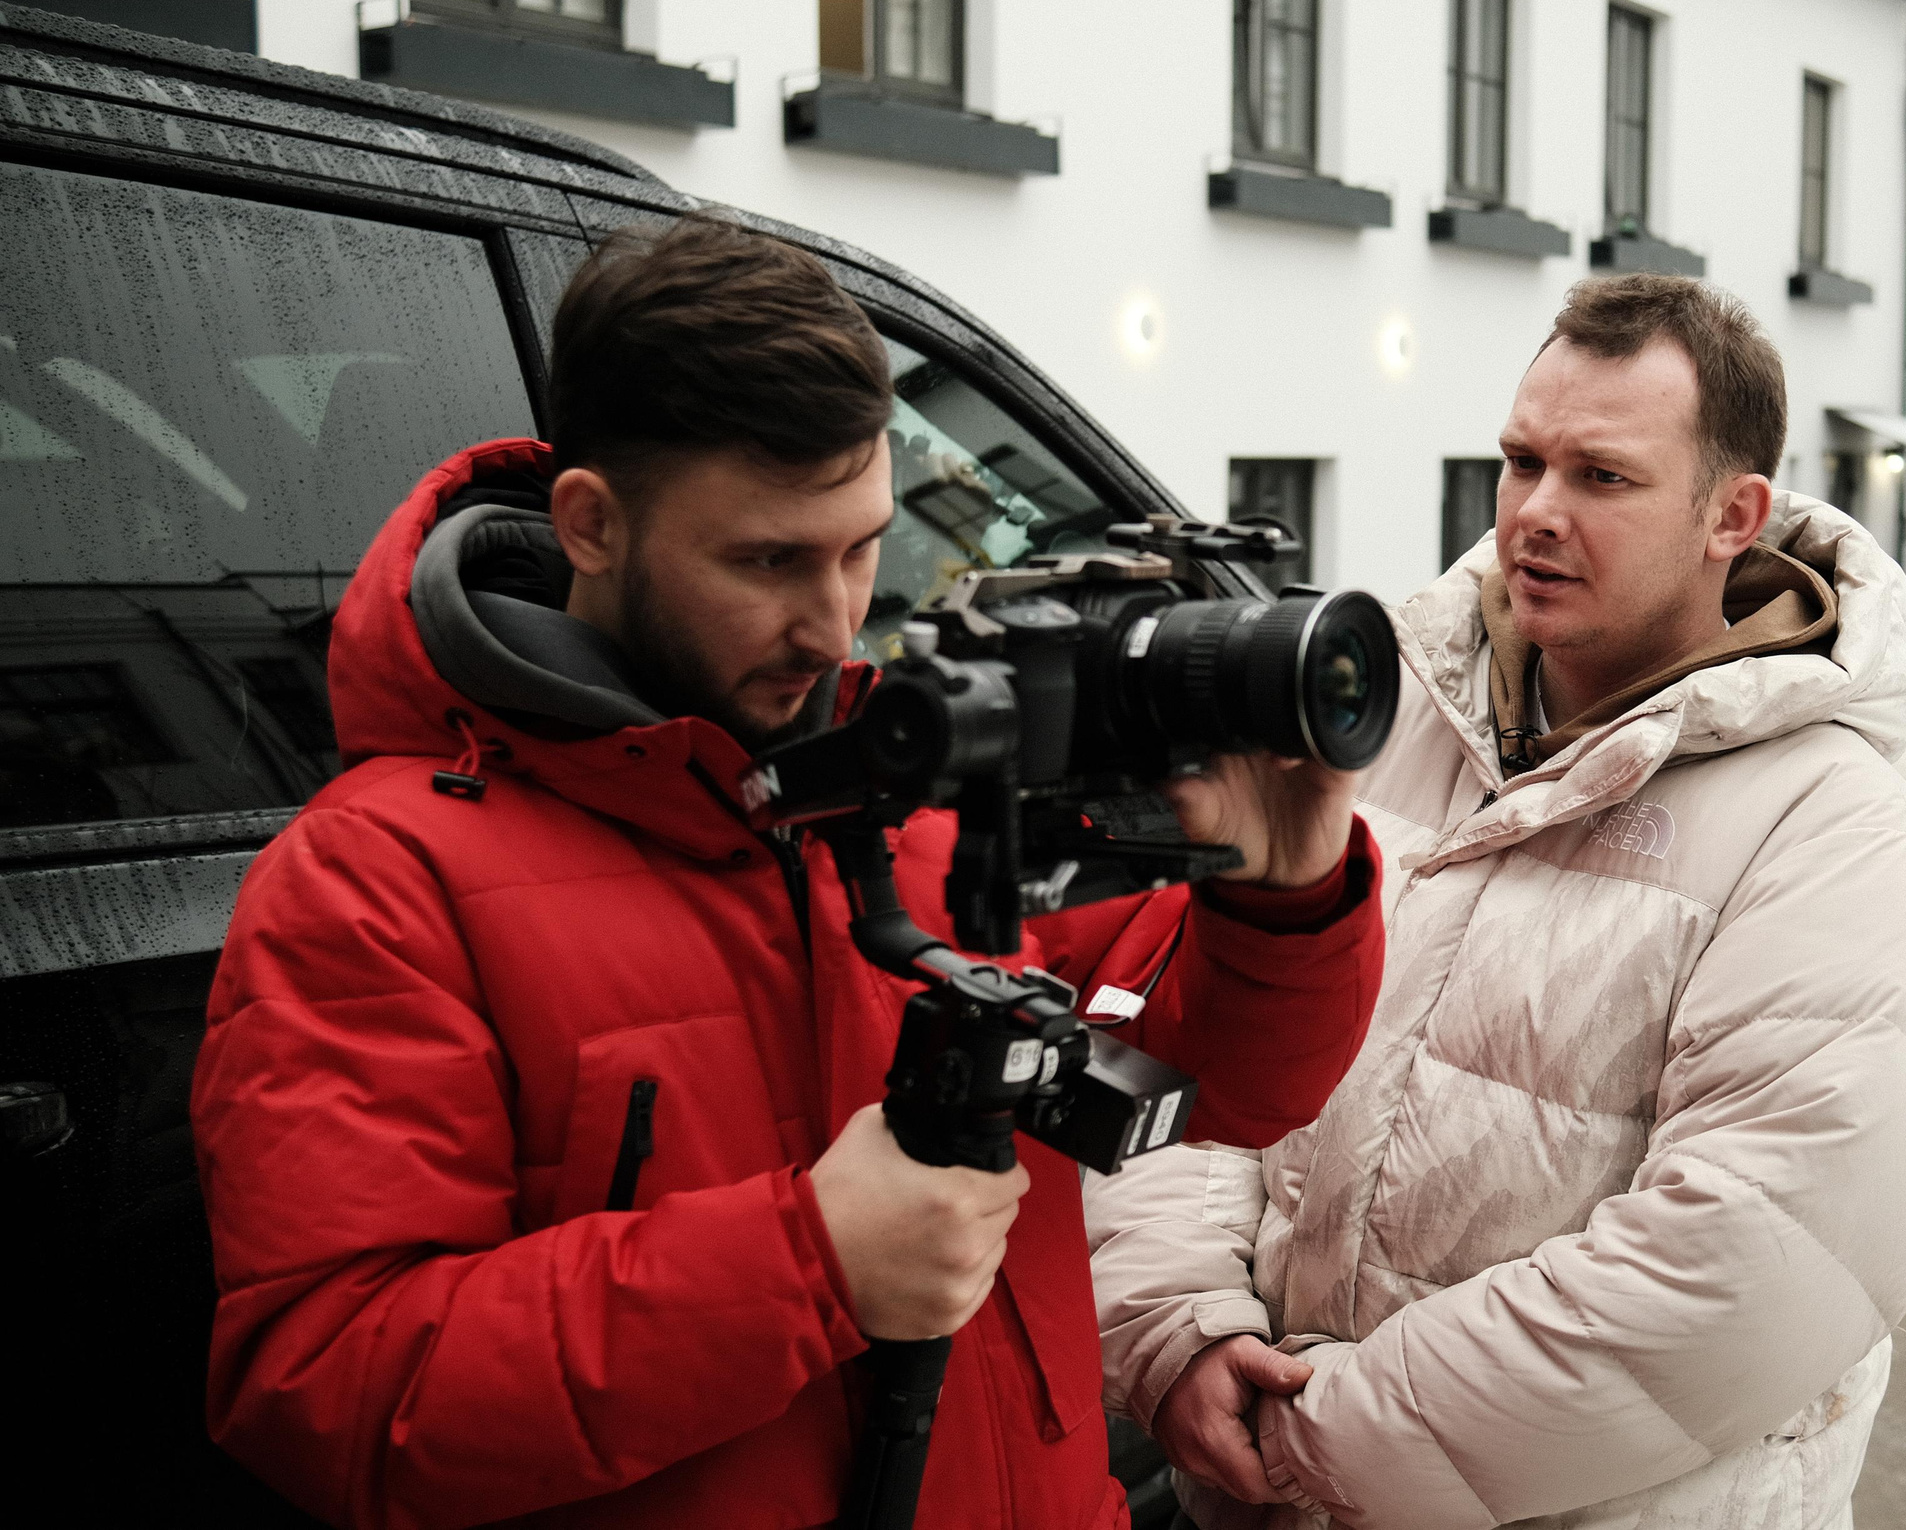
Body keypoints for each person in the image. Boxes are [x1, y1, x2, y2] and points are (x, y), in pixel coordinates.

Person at [191, 216, 1387, 1530]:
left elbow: (1232, 1084)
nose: (831, 622)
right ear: (591, 523)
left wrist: (1284, 894)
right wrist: (805, 1261)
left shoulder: (911, 784)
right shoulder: (375, 879)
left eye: (863, 546)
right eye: (765, 560)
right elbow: (335, 1389)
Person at [1086, 276, 1906, 1529]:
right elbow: (1199, 1040)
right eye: (1519, 462)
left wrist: (1310, 1438)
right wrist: (1180, 1332)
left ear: (1733, 514)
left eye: (1601, 477)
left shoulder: (1829, 829)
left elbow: (1737, 1276)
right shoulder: (1380, 721)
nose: (1535, 515)